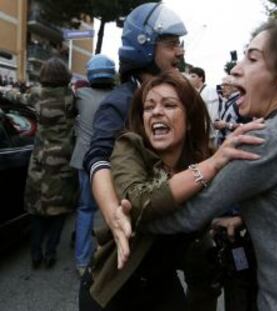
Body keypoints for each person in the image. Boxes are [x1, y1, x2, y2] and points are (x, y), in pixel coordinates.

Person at [115, 20, 277, 310]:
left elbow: (188, 215)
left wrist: (122, 216)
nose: (235, 69)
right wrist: (248, 217)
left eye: (252, 57)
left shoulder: (269, 137)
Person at [79, 71, 264, 310]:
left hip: (162, 287)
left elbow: (198, 219)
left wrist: (229, 218)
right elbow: (139, 201)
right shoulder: (129, 146)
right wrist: (212, 165)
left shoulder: (201, 157)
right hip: (112, 292)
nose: (156, 112)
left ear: (188, 120)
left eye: (169, 105)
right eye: (149, 107)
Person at [81, 3, 220, 310]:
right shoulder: (120, 103)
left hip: (164, 268)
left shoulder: (183, 97)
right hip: (126, 275)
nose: (179, 53)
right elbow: (98, 159)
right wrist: (114, 214)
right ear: (144, 45)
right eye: (171, 45)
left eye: (170, 105)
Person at [24, 57, 78, 269]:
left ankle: (35, 253)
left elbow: (15, 95)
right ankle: (50, 253)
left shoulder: (37, 94)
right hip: (64, 161)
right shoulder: (70, 97)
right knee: (60, 210)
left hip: (39, 161)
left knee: (37, 209)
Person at [70, 54, 116, 276]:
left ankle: (81, 262)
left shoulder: (80, 95)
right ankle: (107, 257)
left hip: (84, 161)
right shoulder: (119, 97)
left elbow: (71, 117)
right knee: (112, 211)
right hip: (110, 161)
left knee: (85, 209)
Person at [214, 75, 252, 146]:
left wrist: (226, 125)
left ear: (235, 87)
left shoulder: (242, 101)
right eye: (222, 85)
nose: (222, 87)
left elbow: (249, 126)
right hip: (225, 144)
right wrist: (217, 123)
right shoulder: (226, 101)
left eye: (225, 85)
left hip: (237, 146)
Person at [188, 67, 220, 145]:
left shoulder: (209, 91)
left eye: (193, 76)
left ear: (201, 78)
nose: (190, 78)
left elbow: (211, 114)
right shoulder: (196, 92)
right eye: (189, 76)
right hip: (199, 132)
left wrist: (205, 132)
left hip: (208, 135)